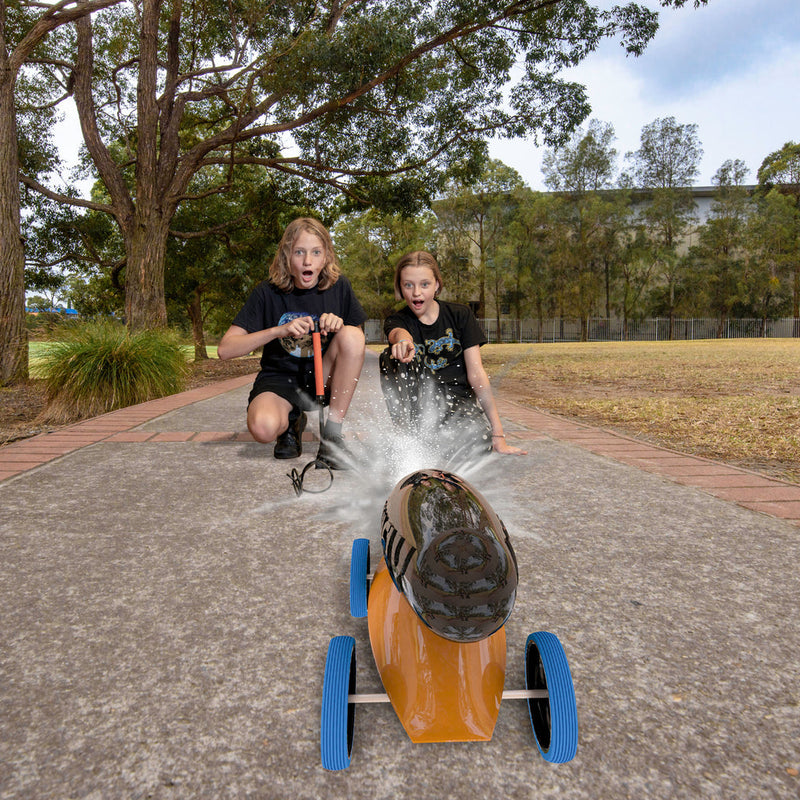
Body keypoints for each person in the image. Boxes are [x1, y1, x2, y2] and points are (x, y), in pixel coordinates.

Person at [218, 217, 366, 469]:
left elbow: (356, 341)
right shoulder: (267, 292)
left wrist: (339, 326)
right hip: (281, 380)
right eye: (299, 252)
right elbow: (226, 349)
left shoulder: (339, 287)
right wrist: (278, 330)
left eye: (315, 252)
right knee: (262, 429)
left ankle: (332, 435)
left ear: (326, 256)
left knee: (352, 335)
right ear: (287, 255)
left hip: (323, 376)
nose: (307, 261)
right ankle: (292, 420)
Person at [380, 250, 526, 456]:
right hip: (421, 404)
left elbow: (476, 373)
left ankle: (440, 444)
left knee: (479, 443)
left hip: (457, 403)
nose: (416, 293)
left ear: (437, 284)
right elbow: (397, 333)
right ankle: (407, 440)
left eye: (424, 284)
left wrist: (498, 434)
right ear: (400, 287)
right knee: (390, 357)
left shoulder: (460, 315)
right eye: (408, 285)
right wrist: (403, 341)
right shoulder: (398, 320)